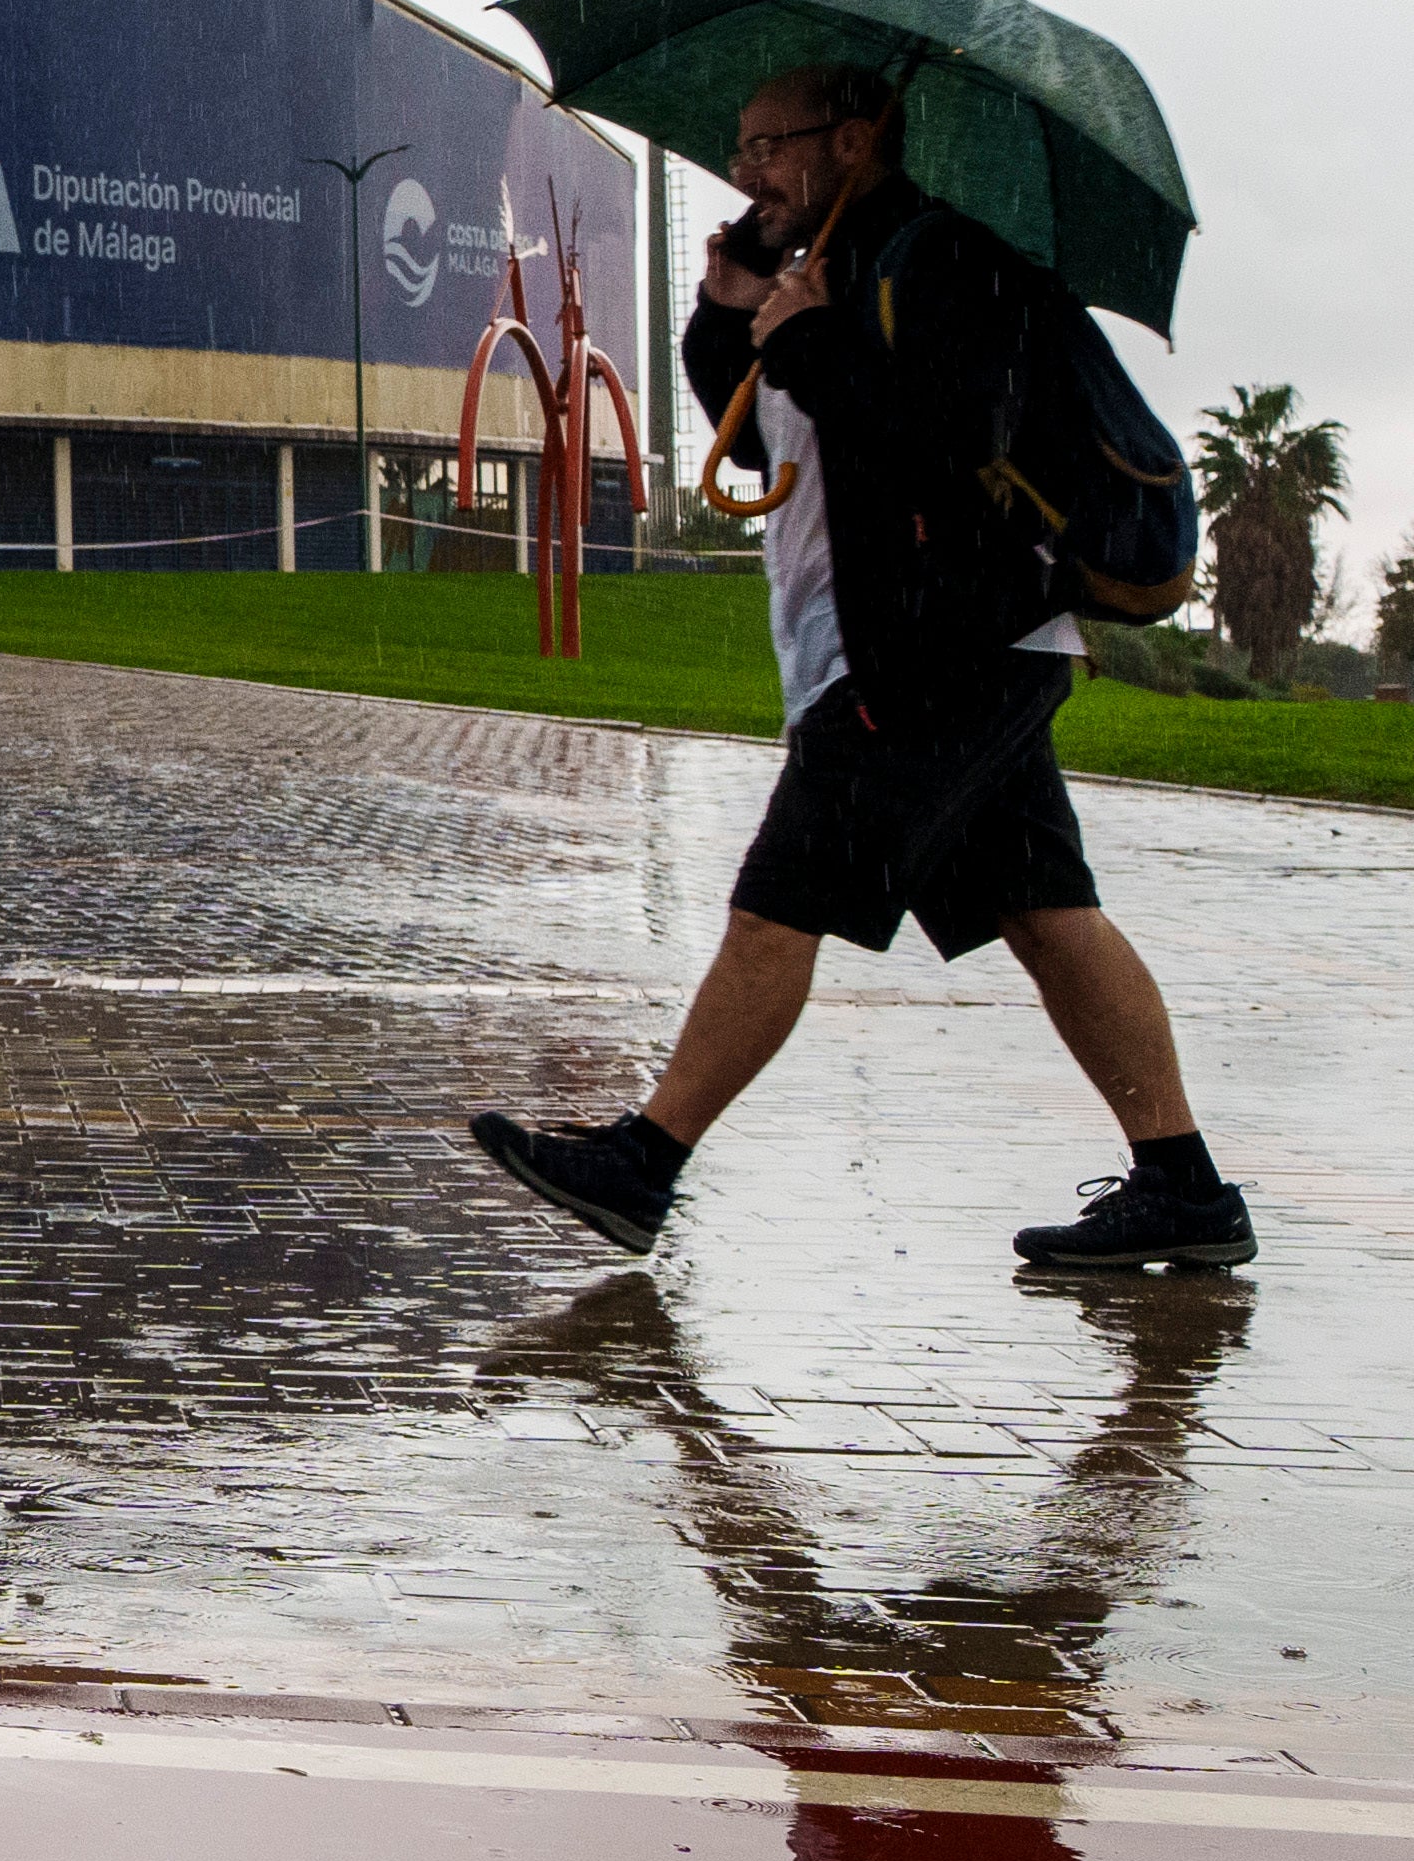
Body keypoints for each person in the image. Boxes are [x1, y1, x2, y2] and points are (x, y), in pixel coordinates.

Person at [469, 63, 1251, 1269]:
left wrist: (817, 340)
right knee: (1048, 915)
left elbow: (952, 455)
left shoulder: (941, 259)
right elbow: (757, 424)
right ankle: (1182, 1186)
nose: (743, 173)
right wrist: (730, 313)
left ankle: (644, 1162)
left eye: (766, 145)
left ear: (852, 139)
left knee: (776, 902)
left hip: (939, 649)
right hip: (921, 645)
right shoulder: (821, 271)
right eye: (738, 147)